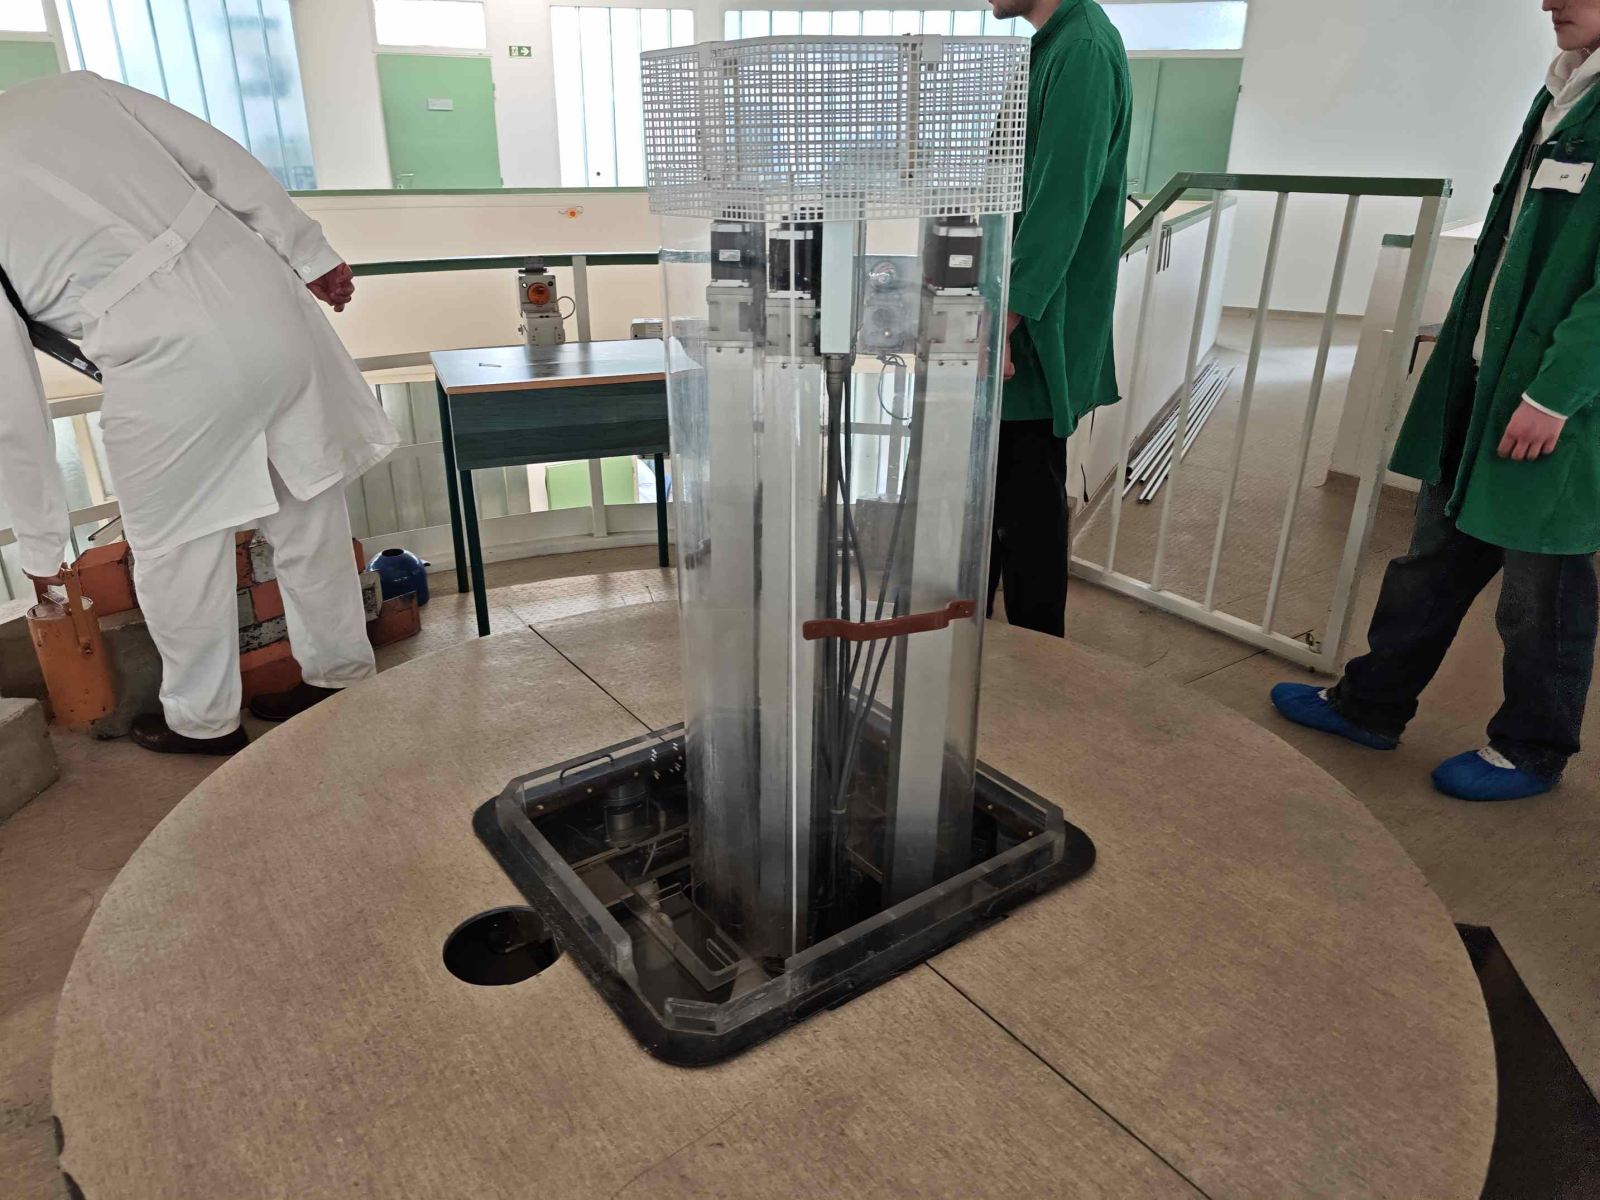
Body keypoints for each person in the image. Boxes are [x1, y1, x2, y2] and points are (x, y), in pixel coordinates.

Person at [0, 72, 400, 756]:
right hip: (261, 296)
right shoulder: (70, 91)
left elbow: (10, 397)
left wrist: (39, 544)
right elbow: (220, 156)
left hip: (160, 348)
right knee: (306, 506)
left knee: (175, 547)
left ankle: (203, 721)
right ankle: (339, 677)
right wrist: (309, 252)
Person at [1273, 0, 1600, 801]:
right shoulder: (1563, 90)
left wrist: (1554, 396)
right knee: (1429, 562)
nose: (1549, 3)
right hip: (1485, 381)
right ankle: (1370, 704)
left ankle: (1532, 750)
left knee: (1542, 590)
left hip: (1554, 403)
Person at [985, 0, 1131, 638]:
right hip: (1018, 309)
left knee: (1028, 499)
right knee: (994, 492)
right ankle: (972, 633)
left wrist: (1006, 319)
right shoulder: (1051, 45)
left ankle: (1038, 659)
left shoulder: (1083, 50)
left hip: (1038, 320)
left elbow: (1061, 199)